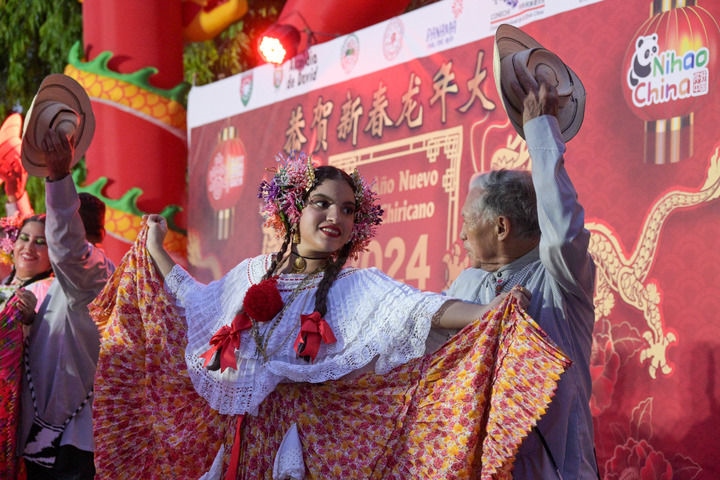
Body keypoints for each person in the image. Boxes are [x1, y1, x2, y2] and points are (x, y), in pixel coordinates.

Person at [89, 148, 576, 479]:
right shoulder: (252, 272)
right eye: (321, 204)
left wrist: (486, 311)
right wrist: (156, 250)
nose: (335, 217)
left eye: (346, 210)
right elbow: (193, 305)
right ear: (291, 212)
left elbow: (421, 310)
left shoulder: (355, 286)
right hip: (239, 445)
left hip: (304, 451)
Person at [446, 26, 599, 478]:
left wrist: (540, 130)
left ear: (500, 227)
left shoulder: (560, 280)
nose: (460, 236)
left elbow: (562, 230)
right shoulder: (465, 285)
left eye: (466, 222)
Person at [17, 108, 114, 477]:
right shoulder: (51, 285)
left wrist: (58, 177)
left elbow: (69, 251)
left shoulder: (94, 273)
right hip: (40, 440)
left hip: (72, 445)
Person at [0, 214, 54, 478]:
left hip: (15, 407)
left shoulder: (47, 290)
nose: (29, 247)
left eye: (40, 242)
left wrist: (32, 320)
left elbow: (52, 351)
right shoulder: (5, 285)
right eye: (24, 238)